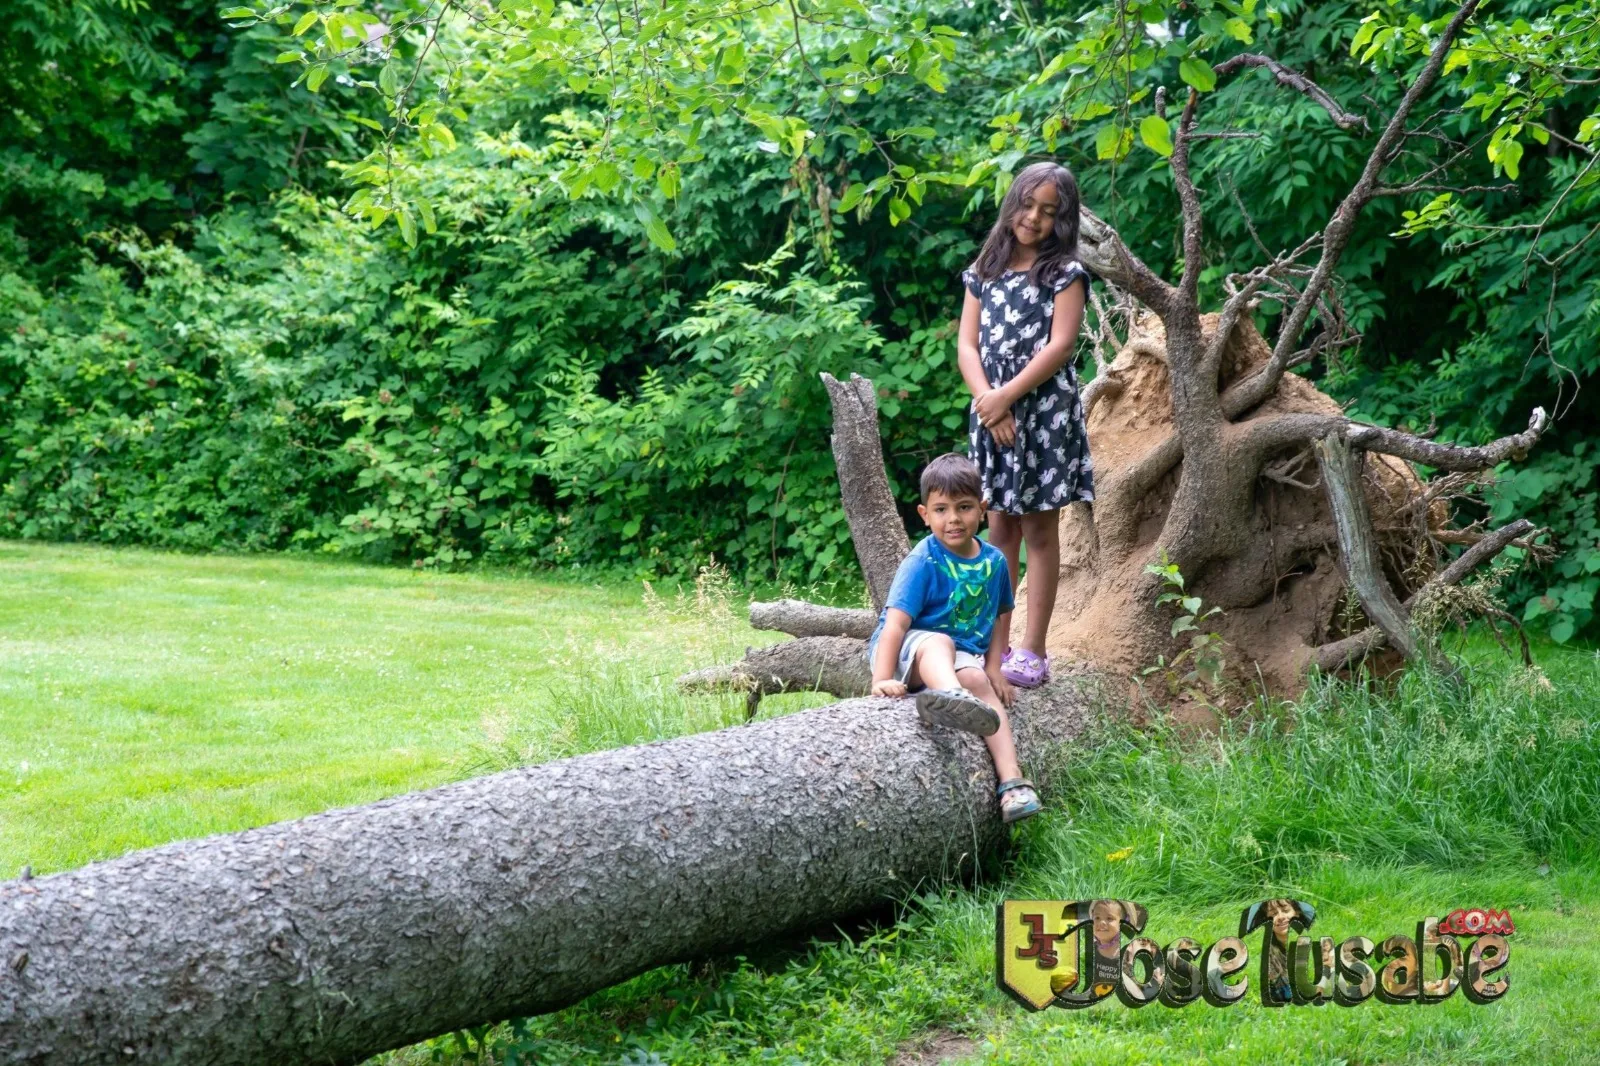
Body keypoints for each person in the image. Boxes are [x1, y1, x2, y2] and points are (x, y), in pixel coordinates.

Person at [957, 160, 1095, 690]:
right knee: (998, 530)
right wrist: (988, 403)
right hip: (992, 417)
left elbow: (1061, 346)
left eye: (1048, 211)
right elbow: (967, 345)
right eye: (1027, 204)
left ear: (1061, 220)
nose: (1034, 218)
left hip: (1043, 415)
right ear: (1011, 201)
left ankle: (1032, 651)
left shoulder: (1065, 274)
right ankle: (994, 645)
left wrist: (1009, 396)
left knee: (1038, 529)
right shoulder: (984, 270)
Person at [867, 453, 1042, 823]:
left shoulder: (994, 562)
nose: (953, 519)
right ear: (924, 514)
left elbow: (999, 614)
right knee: (938, 643)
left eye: (964, 507)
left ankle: (1012, 784)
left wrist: (994, 667)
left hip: (958, 658)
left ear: (982, 509)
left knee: (977, 679)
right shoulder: (923, 561)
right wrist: (881, 678)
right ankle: (952, 698)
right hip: (908, 653)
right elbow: (895, 625)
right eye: (941, 509)